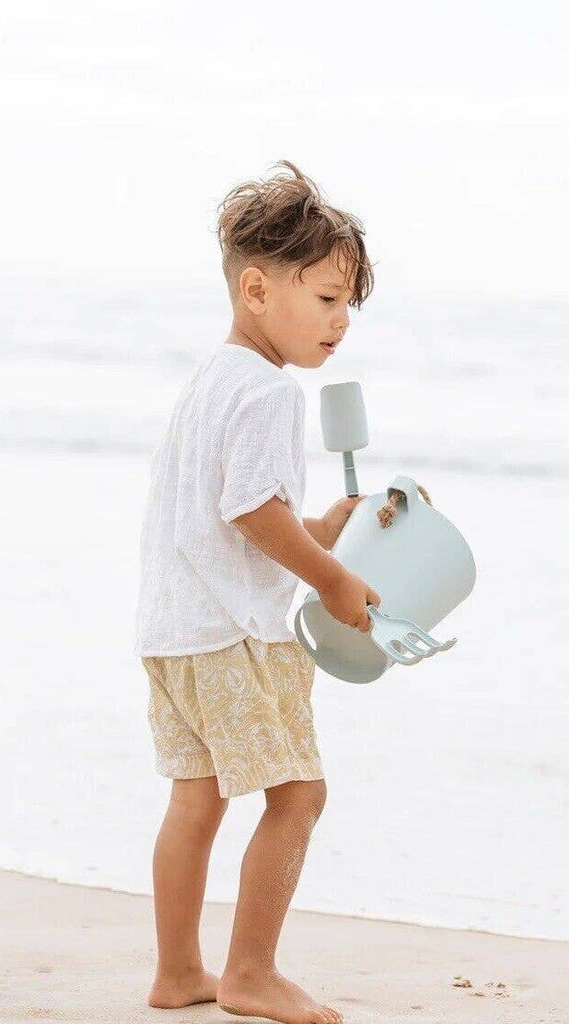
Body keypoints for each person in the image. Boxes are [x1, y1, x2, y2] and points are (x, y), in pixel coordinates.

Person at [133, 159, 380, 1024]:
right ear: (256, 289)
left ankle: (178, 972)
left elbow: (229, 513)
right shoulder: (270, 392)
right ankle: (250, 972)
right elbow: (248, 510)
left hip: (174, 630)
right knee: (298, 794)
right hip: (235, 634)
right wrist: (334, 577)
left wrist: (318, 529)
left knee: (196, 798)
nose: (341, 321)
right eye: (327, 298)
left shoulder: (212, 380)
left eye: (350, 304)